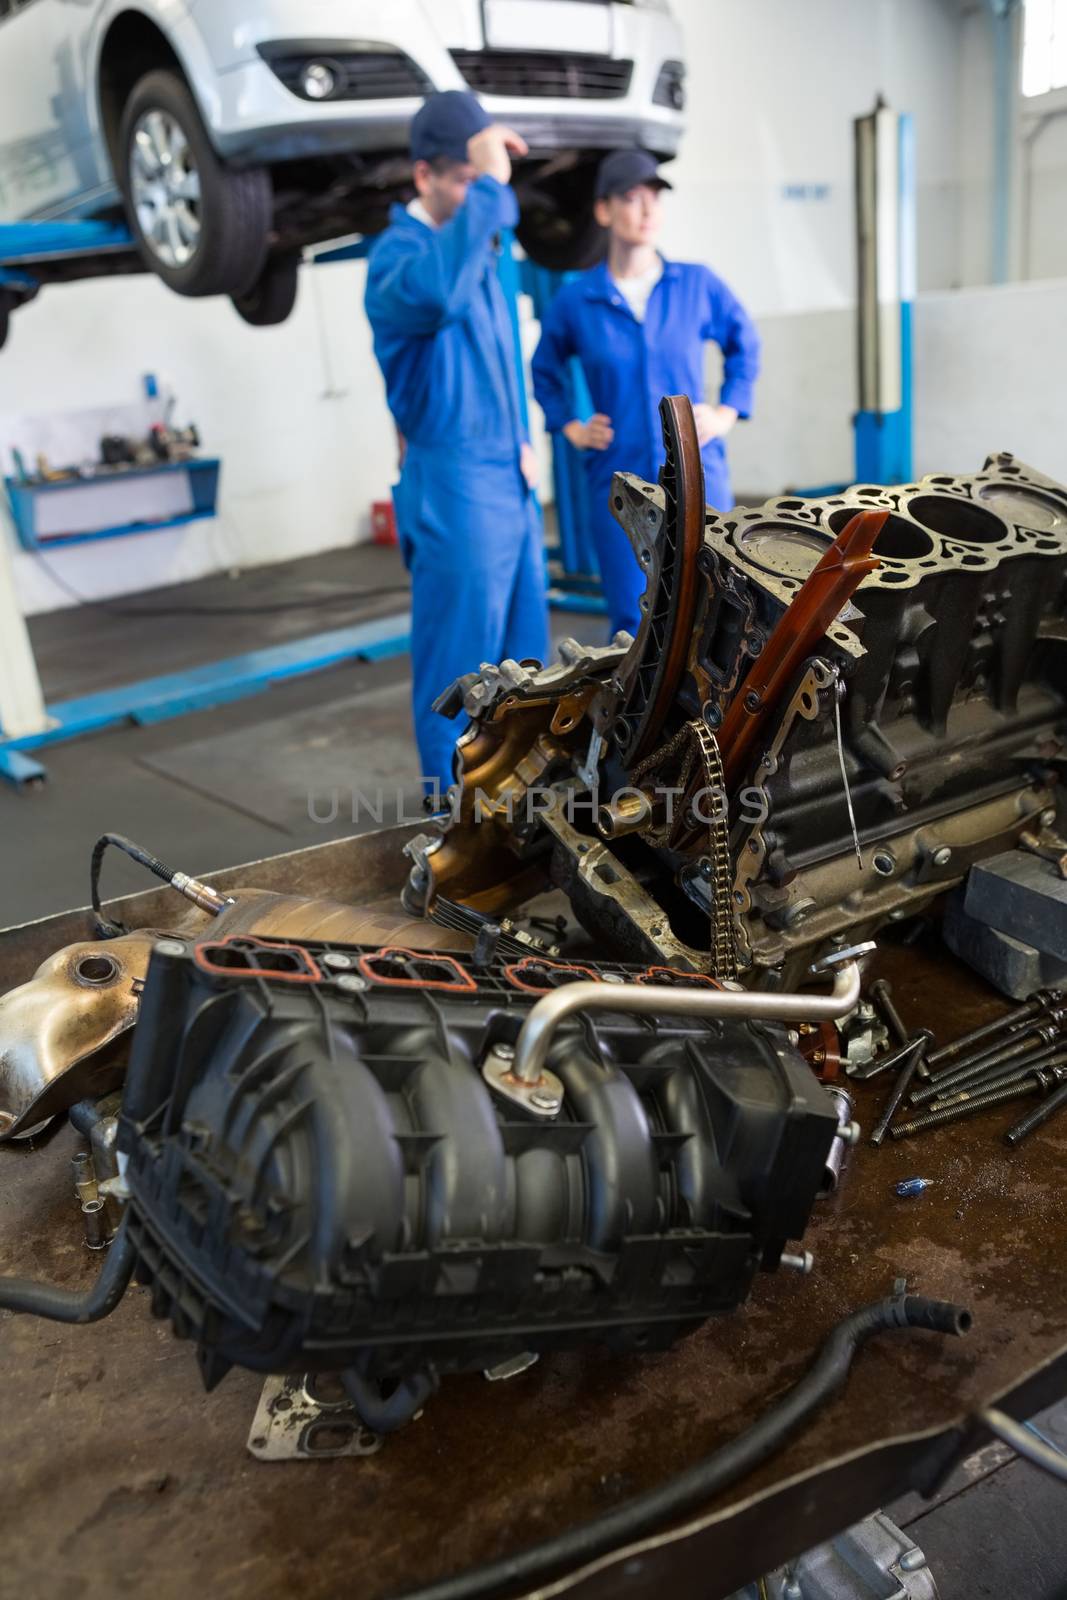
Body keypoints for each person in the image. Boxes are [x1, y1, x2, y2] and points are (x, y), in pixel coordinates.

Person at [365, 91, 549, 792]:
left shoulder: (478, 254)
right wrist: (493, 182)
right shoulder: (399, 262)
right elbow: (437, 300)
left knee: (524, 667)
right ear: (423, 178)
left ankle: (524, 814)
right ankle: (450, 825)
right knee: (459, 673)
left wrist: (521, 440)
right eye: (468, 182)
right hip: (453, 482)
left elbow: (496, 363)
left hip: (509, 476)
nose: (485, 199)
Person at [531, 148, 761, 640]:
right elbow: (544, 369)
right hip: (619, 480)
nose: (648, 211)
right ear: (603, 211)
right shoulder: (577, 299)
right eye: (632, 199)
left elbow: (746, 343)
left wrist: (726, 412)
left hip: (699, 472)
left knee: (719, 612)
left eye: (654, 198)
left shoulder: (695, 284)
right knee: (632, 621)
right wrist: (569, 425)